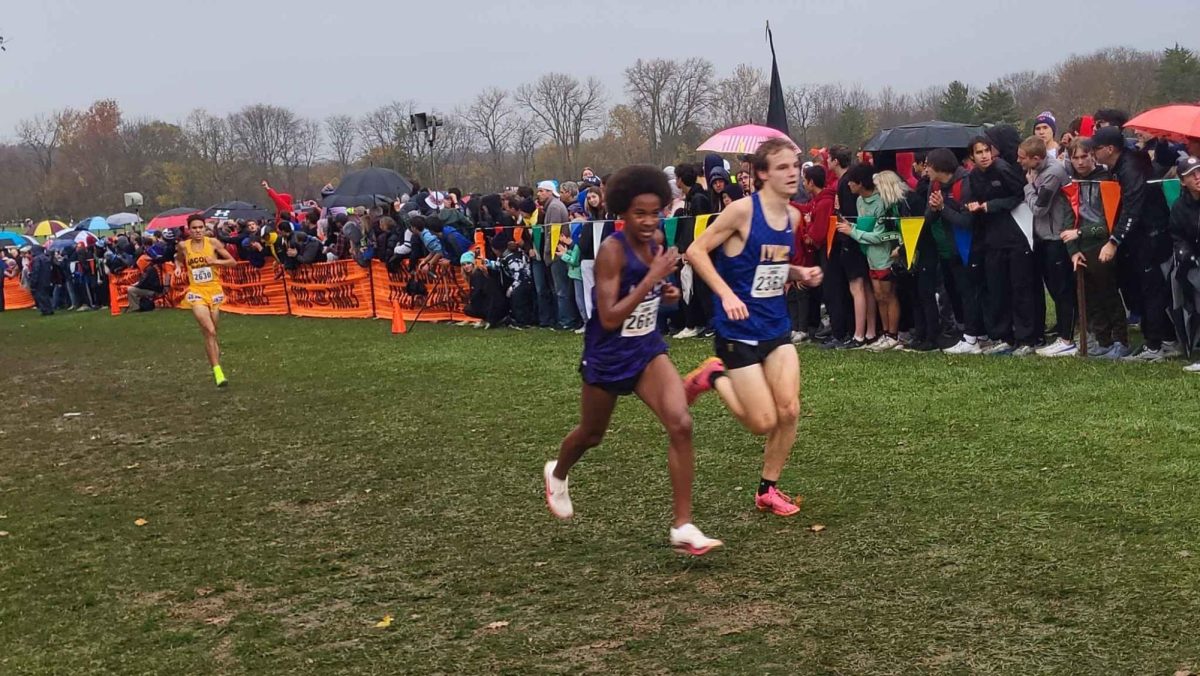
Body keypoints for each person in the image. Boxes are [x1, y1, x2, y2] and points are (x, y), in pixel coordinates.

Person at [543, 164, 723, 556]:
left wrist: (666, 292)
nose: (647, 221)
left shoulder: (657, 240)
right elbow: (607, 317)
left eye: (654, 212)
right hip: (607, 355)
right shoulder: (611, 250)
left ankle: (683, 526)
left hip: (645, 349)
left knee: (681, 423)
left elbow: (655, 292)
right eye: (638, 213)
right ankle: (557, 473)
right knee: (592, 435)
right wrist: (651, 279)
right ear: (622, 212)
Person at [682, 137, 824, 517]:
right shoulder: (742, 212)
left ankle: (767, 490)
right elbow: (695, 252)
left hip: (775, 325)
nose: (793, 172)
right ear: (761, 174)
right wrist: (727, 294)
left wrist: (799, 272)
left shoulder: (793, 217)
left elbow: (769, 266)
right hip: (737, 329)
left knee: (790, 410)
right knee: (763, 422)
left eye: (795, 165)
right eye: (782, 167)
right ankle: (714, 377)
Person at [1092, 126, 1180, 362]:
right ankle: (1167, 339)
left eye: (1096, 148)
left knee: (1151, 290)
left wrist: (1114, 241)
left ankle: (1155, 345)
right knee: (1146, 288)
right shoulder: (1123, 164)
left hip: (1151, 236)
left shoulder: (1130, 168)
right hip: (1142, 236)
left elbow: (1132, 208)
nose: (1092, 153)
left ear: (1110, 149)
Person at [1060, 137, 1129, 358]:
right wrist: (1073, 250)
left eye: (1084, 156)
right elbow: (1068, 220)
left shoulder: (1107, 182)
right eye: (1075, 157)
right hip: (1081, 248)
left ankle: (1120, 340)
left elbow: (1109, 222)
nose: (1080, 162)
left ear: (1092, 156)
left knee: (1108, 294)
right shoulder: (1071, 185)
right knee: (1091, 298)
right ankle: (1103, 339)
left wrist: (1081, 232)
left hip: (1102, 245)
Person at [1018, 136, 1077, 357]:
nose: (1019, 161)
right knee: (1053, 288)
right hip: (1043, 237)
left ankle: (1067, 338)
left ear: (1036, 158)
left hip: (1056, 237)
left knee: (1062, 290)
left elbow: (1039, 208)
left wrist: (1028, 187)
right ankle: (1063, 332)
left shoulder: (1053, 173)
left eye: (1022, 158)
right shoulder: (1037, 171)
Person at [836, 167, 906, 351]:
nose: (849, 184)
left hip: (885, 256)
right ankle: (884, 333)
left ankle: (893, 334)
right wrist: (851, 226)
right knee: (878, 295)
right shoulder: (859, 201)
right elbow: (865, 228)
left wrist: (852, 232)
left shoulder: (883, 202)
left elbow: (882, 235)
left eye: (852, 181)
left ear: (861, 183)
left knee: (888, 294)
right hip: (870, 256)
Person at [177, 214, 237, 387]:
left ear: (205, 228)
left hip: (215, 291)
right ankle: (218, 373)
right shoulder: (184, 245)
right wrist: (178, 268)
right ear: (189, 229)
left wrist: (215, 261)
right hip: (196, 292)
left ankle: (215, 363)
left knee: (211, 334)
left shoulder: (213, 243)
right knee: (209, 330)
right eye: (194, 228)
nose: (197, 231)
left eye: (200, 227)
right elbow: (178, 258)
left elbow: (232, 262)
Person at [1168, 155, 1200, 372]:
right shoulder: (1180, 206)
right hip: (1194, 263)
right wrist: (1187, 254)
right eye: (1192, 175)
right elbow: (1178, 236)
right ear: (1182, 181)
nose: (1198, 177)